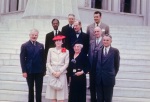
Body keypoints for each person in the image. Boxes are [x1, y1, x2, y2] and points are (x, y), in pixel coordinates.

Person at [20, 29, 46, 102]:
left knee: (39, 89)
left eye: (36, 35)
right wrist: (24, 71)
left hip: (39, 71)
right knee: (30, 89)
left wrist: (44, 70)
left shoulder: (41, 45)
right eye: (33, 35)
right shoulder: (24, 45)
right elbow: (22, 59)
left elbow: (43, 59)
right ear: (29, 35)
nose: (34, 36)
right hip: (29, 71)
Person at [96, 34, 120, 102]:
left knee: (108, 99)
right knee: (99, 99)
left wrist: (111, 75)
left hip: (109, 79)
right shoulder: (98, 50)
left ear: (111, 41)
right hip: (99, 79)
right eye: (104, 40)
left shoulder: (115, 51)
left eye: (107, 40)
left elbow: (116, 65)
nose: (105, 41)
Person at [45, 35, 69, 102]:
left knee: (61, 96)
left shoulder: (66, 51)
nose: (58, 42)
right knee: (53, 95)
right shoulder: (50, 50)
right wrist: (53, 72)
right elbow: (48, 62)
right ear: (55, 42)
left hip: (61, 74)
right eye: (56, 41)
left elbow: (66, 63)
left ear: (62, 42)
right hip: (53, 74)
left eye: (60, 41)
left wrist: (59, 72)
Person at [88, 27, 103, 102]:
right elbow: (89, 54)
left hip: (100, 67)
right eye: (95, 31)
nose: (96, 33)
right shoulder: (91, 42)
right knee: (92, 85)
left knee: (99, 85)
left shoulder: (104, 42)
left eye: (98, 31)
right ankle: (93, 99)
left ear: (101, 32)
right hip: (92, 67)